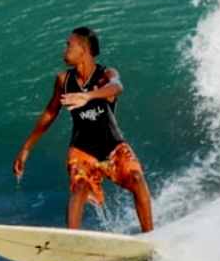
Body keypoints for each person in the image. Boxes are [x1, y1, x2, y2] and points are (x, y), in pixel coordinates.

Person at [12, 27, 154, 233]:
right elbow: (50, 113)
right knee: (79, 188)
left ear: (84, 49)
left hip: (112, 146)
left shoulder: (105, 75)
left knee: (137, 179)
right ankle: (73, 240)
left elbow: (118, 86)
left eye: (69, 44)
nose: (65, 49)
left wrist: (88, 96)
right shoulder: (64, 80)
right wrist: (26, 149)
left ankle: (150, 236)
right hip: (82, 149)